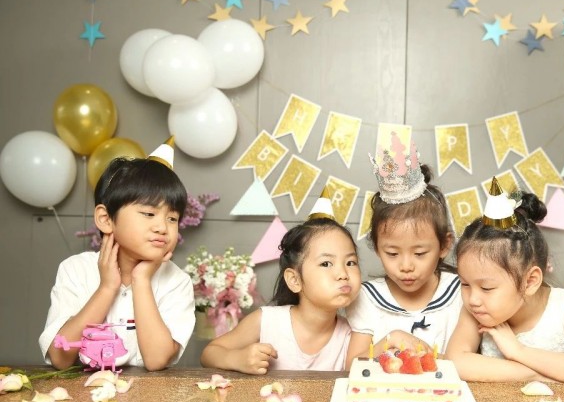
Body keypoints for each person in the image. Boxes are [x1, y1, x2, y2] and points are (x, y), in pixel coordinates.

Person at [39, 138, 195, 371]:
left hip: (146, 394)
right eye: (149, 214)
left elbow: (157, 360)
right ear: (105, 219)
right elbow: (60, 358)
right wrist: (107, 287)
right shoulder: (76, 269)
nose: (162, 227)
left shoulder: (177, 281)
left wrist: (141, 279)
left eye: (172, 218)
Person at [447, 179, 564, 388]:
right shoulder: (477, 309)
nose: (472, 298)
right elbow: (455, 362)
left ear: (530, 281)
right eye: (464, 284)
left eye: (487, 288)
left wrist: (519, 351)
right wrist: (535, 374)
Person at [201, 192, 361, 374]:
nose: (343, 274)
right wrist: (238, 359)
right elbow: (209, 354)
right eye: (326, 263)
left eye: (351, 262)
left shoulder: (354, 334)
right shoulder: (267, 321)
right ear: (294, 280)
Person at [346, 134, 460, 363]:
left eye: (419, 253)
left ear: (444, 245)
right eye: (392, 253)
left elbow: (466, 360)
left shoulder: (460, 292)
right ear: (376, 247)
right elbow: (351, 366)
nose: (406, 266)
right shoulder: (367, 298)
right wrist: (391, 339)